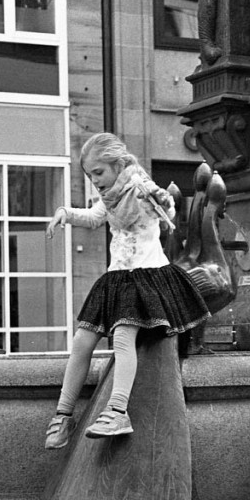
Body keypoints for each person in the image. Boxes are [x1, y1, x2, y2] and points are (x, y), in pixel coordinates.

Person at [43, 133, 210, 447]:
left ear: (117, 164)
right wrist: (66, 214)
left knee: (122, 336)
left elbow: (169, 211)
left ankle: (118, 411)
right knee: (81, 341)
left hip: (147, 278)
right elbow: (95, 218)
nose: (95, 181)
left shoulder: (140, 186)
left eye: (98, 173)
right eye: (90, 175)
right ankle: (63, 417)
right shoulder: (111, 197)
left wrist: (164, 201)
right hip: (117, 278)